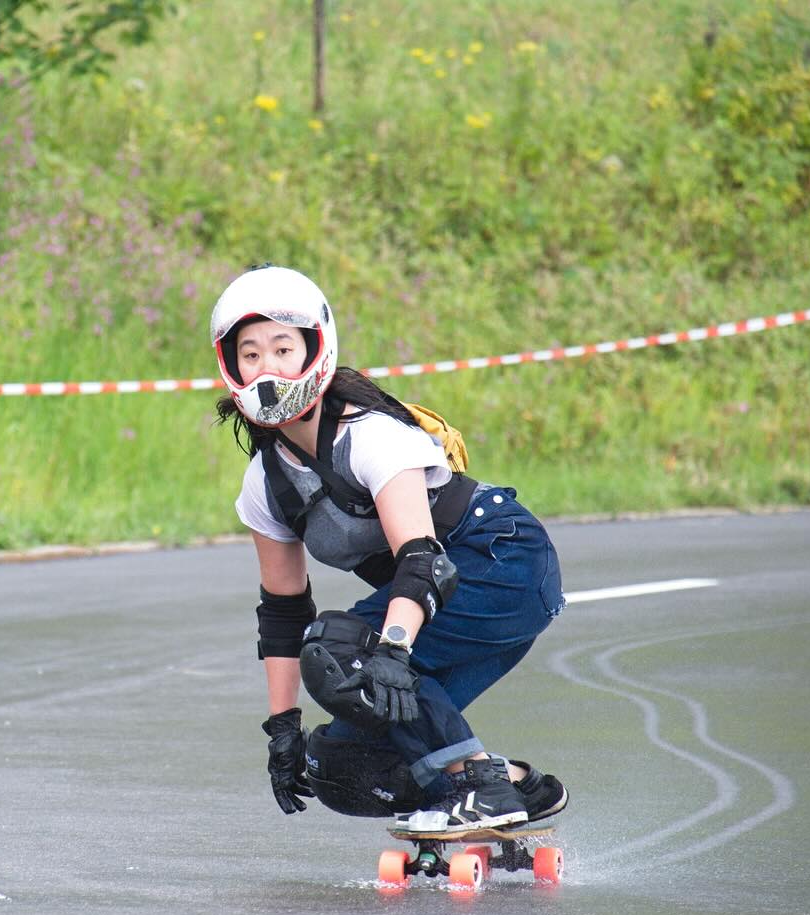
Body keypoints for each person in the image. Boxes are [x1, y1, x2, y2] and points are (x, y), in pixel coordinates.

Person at [212, 263, 569, 835]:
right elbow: (282, 615)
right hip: (435, 598)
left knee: (338, 650)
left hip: (503, 565)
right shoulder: (266, 484)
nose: (266, 368)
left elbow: (423, 563)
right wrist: (282, 729)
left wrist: (392, 651)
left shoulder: (370, 436)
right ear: (231, 366)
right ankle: (514, 784)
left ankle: (479, 788)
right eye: (250, 354)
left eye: (282, 349)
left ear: (315, 351)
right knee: (340, 765)